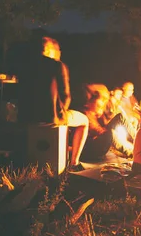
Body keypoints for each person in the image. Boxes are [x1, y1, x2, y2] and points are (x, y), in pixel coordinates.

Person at [18, 37, 89, 172]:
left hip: (27, 116)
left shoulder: (25, 66)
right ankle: (74, 162)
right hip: (52, 117)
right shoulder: (57, 65)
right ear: (49, 50)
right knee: (84, 120)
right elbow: (66, 95)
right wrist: (62, 112)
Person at [82, 85, 133, 161]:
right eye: (101, 100)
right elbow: (99, 131)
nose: (103, 103)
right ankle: (132, 152)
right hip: (94, 148)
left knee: (120, 117)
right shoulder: (85, 115)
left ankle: (137, 140)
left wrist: (101, 116)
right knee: (111, 133)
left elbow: (105, 124)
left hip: (101, 138)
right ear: (90, 101)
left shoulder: (95, 112)